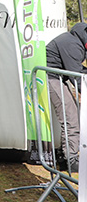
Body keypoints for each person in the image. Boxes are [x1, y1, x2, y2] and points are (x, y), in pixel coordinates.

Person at [45, 22, 87, 174]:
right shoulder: (73, 45)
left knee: (73, 114)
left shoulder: (77, 40)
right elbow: (76, 76)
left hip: (57, 77)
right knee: (70, 117)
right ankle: (70, 160)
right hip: (50, 77)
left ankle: (67, 156)